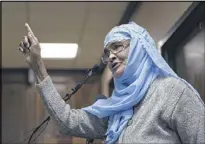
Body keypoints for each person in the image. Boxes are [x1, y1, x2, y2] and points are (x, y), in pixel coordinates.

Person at [18, 22, 205, 144]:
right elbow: (68, 122)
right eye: (107, 53)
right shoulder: (117, 108)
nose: (111, 57)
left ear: (141, 48)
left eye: (117, 47)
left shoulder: (172, 92)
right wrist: (38, 67)